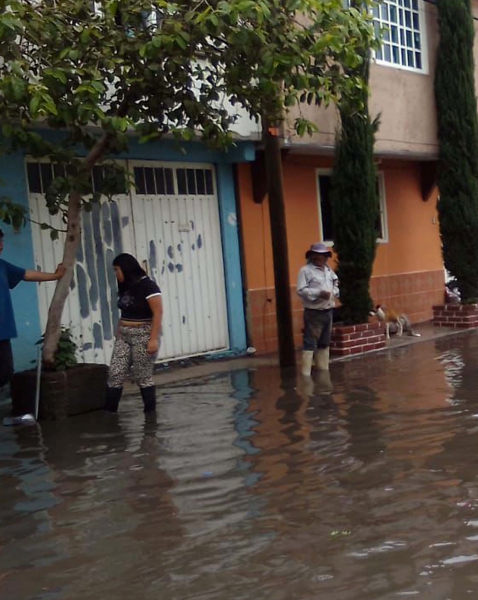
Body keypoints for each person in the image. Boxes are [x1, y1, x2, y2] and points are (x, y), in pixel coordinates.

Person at [0, 227, 66, 392]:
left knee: (5, 371)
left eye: (1, 242)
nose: (1, 246)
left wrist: (55, 276)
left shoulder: (2, 266)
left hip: (3, 332)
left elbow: (27, 275)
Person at [105, 253, 163, 414]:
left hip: (143, 334)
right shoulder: (125, 286)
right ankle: (110, 413)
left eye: (117, 270)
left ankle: (150, 416)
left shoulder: (148, 286)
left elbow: (158, 313)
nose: (116, 274)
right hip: (124, 334)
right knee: (115, 373)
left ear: (127, 269)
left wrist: (153, 340)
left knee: (142, 375)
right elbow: (124, 309)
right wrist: (119, 330)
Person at [296, 242, 339, 376]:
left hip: (328, 311)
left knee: (325, 343)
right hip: (313, 312)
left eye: (322, 255)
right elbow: (301, 290)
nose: (319, 258)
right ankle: (306, 375)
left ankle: (323, 372)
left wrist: (333, 293)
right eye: (316, 255)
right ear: (312, 256)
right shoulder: (305, 271)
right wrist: (318, 293)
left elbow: (336, 286)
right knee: (310, 342)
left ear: (326, 257)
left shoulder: (329, 271)